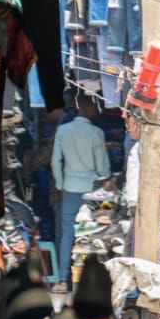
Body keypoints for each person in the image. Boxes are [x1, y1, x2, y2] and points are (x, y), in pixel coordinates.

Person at [51, 93, 110, 293]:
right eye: (94, 107)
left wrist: (60, 183)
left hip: (69, 189)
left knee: (68, 233)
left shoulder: (63, 131)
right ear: (88, 108)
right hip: (91, 190)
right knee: (93, 233)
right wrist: (106, 177)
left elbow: (55, 160)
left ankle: (62, 279)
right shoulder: (96, 133)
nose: (96, 111)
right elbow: (103, 166)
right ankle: (91, 279)